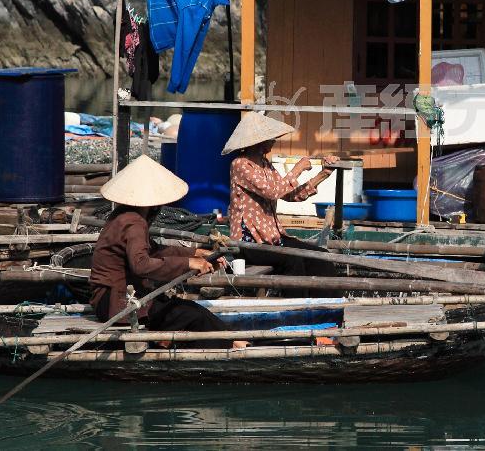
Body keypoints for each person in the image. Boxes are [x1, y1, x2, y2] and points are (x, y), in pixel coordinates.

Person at [89, 155, 246, 349]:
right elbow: (142, 265)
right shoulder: (134, 222)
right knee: (192, 316)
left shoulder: (125, 216)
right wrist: (188, 264)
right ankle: (232, 345)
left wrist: (195, 253)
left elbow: (154, 250)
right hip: (116, 302)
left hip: (120, 298)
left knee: (192, 311)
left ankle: (231, 341)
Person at [223, 111, 339, 246]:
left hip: (272, 236)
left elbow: (289, 195)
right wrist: (297, 169)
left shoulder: (266, 165)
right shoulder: (241, 164)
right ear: (259, 142)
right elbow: (272, 192)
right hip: (250, 240)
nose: (274, 141)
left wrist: (323, 174)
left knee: (319, 256)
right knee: (295, 262)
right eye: (271, 138)